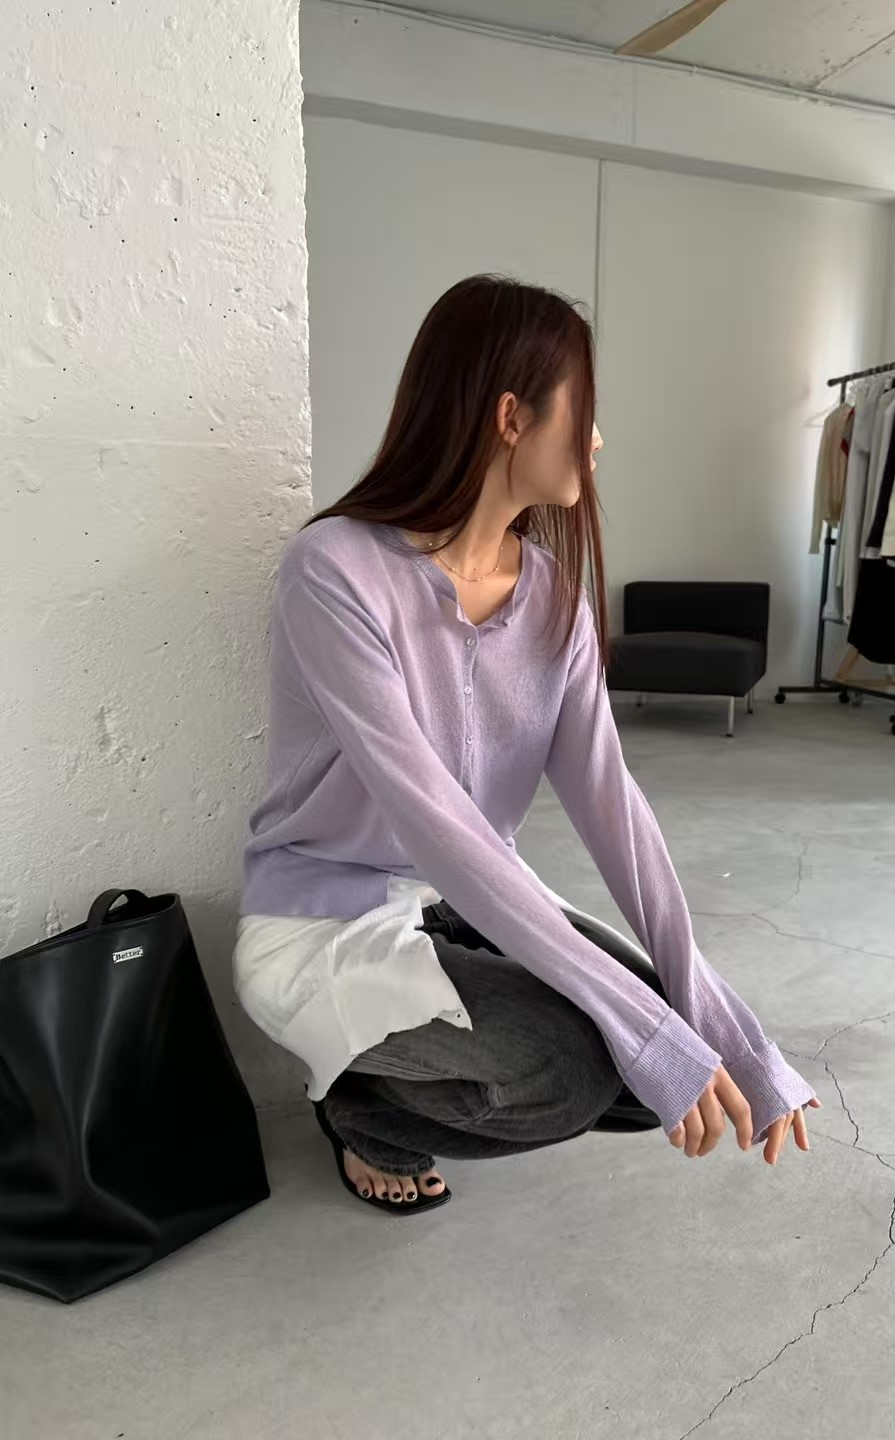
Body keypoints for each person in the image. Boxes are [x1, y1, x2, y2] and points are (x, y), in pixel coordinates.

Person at [234, 275, 819, 1215]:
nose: (600, 438)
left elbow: (614, 807)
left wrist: (732, 1034)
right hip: (327, 919)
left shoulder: (553, 597)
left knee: (668, 1054)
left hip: (473, 908)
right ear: (512, 417)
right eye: (585, 411)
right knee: (582, 1065)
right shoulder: (335, 570)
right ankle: (361, 1114)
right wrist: (644, 1030)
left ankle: (425, 1068)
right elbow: (436, 826)